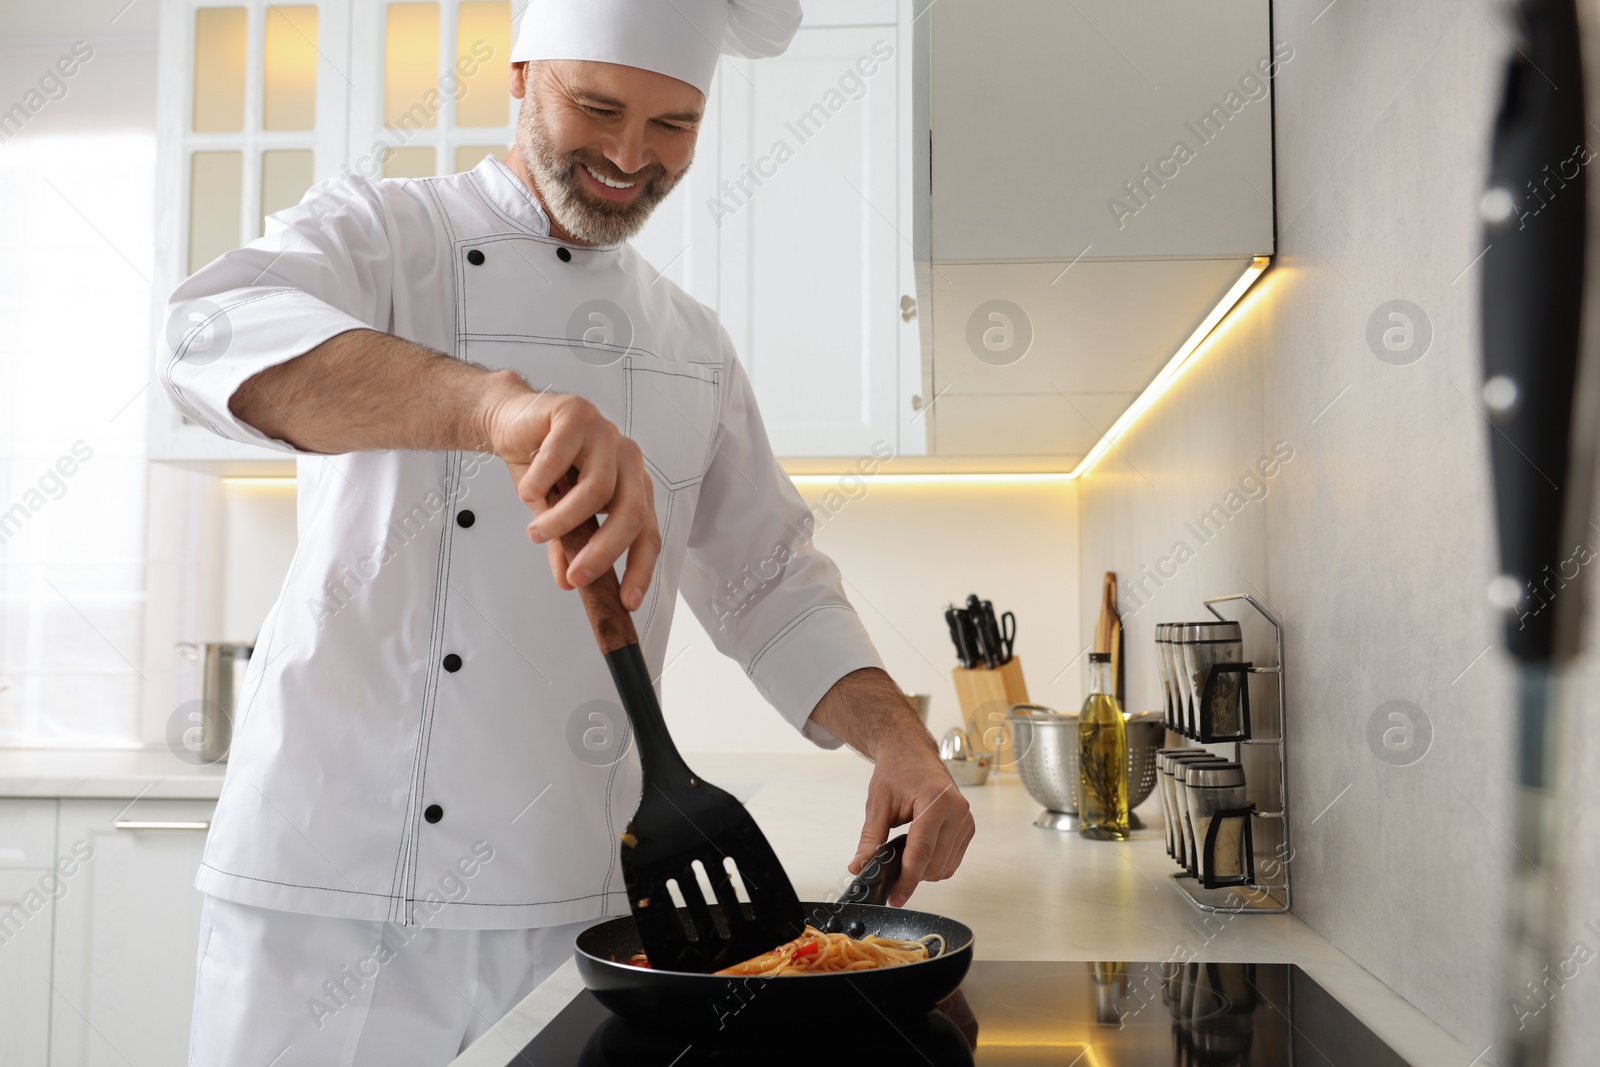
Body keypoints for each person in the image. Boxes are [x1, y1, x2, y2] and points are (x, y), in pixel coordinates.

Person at [162, 1, 973, 1062]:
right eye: (597, 107)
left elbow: (773, 583)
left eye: (673, 125)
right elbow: (202, 336)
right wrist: (501, 408)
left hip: (576, 914)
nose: (631, 156)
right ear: (519, 75)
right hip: (330, 900)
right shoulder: (384, 235)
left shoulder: (691, 344)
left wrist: (899, 740)